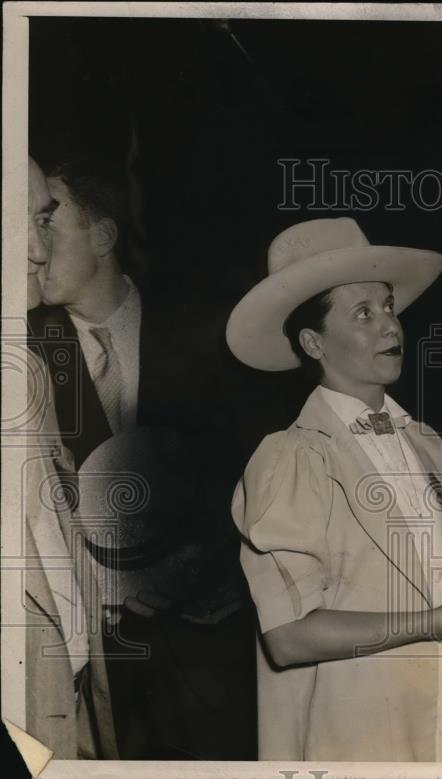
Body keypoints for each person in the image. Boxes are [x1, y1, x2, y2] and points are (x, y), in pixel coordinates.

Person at [226, 217, 442, 762]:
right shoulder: (291, 458)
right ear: (313, 342)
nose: (390, 326)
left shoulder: (426, 445)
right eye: (362, 313)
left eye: (390, 306)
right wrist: (434, 623)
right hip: (351, 745)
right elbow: (288, 637)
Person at [27, 156, 256, 759]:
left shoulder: (207, 332)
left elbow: (256, 471)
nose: (35, 243)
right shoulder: (25, 354)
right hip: (106, 673)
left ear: (103, 235)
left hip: (209, 651)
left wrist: (218, 570)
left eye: (51, 221)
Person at [18, 156, 117, 758]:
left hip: (70, 695)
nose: (37, 249)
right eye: (19, 222)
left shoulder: (26, 369)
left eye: (43, 220)